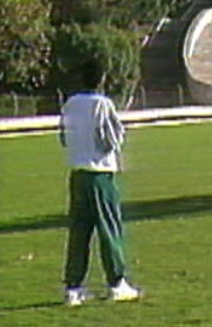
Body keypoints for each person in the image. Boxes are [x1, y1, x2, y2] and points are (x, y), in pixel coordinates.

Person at [59, 60, 141, 307]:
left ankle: (73, 287)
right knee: (109, 229)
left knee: (79, 232)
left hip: (77, 174)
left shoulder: (70, 104)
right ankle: (117, 282)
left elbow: (63, 137)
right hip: (100, 174)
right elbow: (113, 137)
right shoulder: (103, 104)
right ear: (102, 80)